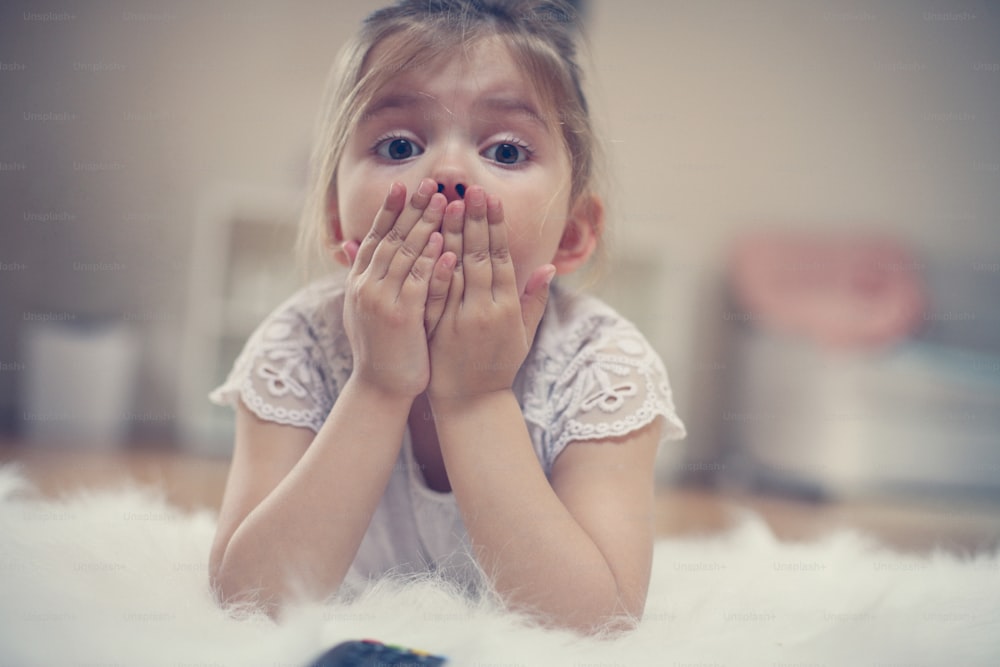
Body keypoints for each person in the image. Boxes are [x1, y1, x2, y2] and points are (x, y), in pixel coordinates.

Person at [207, 0, 685, 634]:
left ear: (572, 233)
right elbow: (248, 599)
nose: (450, 173)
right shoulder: (300, 343)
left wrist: (475, 400)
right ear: (333, 217)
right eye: (400, 144)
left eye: (508, 152)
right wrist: (377, 386)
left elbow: (595, 623)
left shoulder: (601, 367)